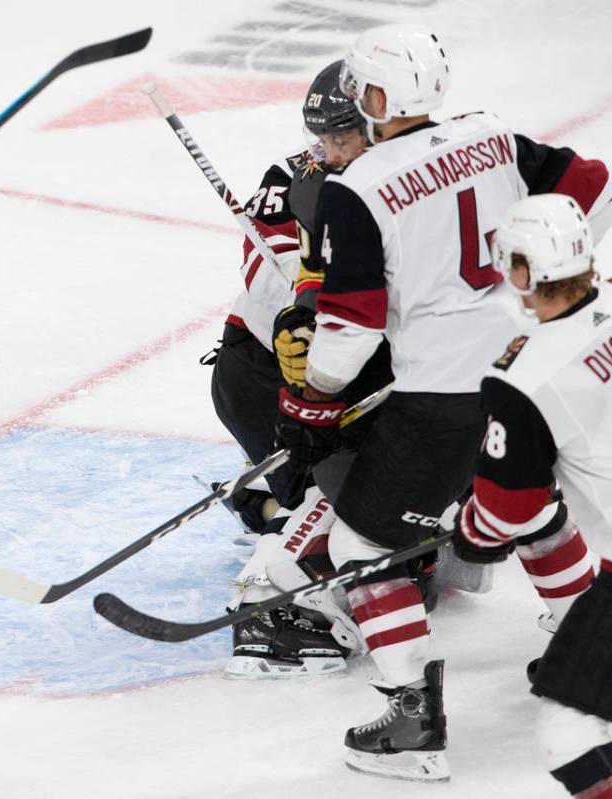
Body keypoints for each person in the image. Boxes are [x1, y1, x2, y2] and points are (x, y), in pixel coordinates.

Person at [274, 24, 612, 781]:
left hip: (440, 402)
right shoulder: (490, 135)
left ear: (372, 97)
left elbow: (350, 325)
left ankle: (411, 722)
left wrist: (312, 397)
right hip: (525, 372)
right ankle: (587, 651)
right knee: (527, 503)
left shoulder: (354, 188)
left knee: (359, 547)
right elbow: (595, 186)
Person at [213, 61, 397, 679]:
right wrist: (308, 302)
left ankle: (270, 505)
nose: (330, 149)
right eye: (322, 134)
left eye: (344, 133)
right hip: (265, 378)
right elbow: (265, 275)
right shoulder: (296, 176)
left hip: (351, 372)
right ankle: (271, 583)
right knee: (354, 485)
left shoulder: (406, 170)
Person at [447, 194, 612, 797]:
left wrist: (471, 534)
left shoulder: (521, 375)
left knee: (568, 732)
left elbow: (509, 508)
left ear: (521, 269)